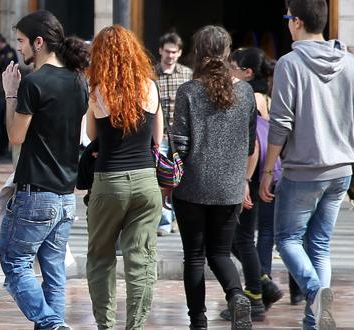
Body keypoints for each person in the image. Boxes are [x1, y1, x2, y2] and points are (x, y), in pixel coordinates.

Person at [259, 0, 354, 330]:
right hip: (341, 169)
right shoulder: (349, 62)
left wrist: (268, 170)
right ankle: (314, 321)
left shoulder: (289, 64)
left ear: (296, 22)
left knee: (287, 239)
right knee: (320, 245)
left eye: (288, 19)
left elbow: (280, 123)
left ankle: (314, 291)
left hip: (303, 169)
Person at [0, 9, 89, 330]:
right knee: (53, 271)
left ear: (39, 42)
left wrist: (10, 92)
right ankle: (53, 322)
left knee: (14, 262)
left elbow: (15, 136)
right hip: (65, 195)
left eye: (21, 41)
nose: (18, 49)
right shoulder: (79, 82)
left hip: (35, 192)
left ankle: (52, 324)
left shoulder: (33, 83)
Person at [170, 25, 258, 330]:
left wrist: (170, 179)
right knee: (220, 252)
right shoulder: (245, 92)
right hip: (230, 187)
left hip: (192, 186)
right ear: (227, 52)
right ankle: (237, 295)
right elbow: (249, 144)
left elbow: (178, 144)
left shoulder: (189, 91)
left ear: (197, 52)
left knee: (194, 256)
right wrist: (242, 179)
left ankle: (198, 321)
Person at [84, 25, 164, 330]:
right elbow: (157, 140)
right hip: (146, 180)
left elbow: (91, 135)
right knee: (140, 258)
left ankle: (105, 325)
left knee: (101, 256)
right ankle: (136, 325)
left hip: (109, 181)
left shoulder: (98, 90)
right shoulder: (150, 87)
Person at [228, 47, 286, 318]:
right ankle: (263, 284)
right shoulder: (263, 96)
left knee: (240, 238)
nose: (229, 71)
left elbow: (250, 142)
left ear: (247, 72)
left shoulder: (249, 95)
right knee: (236, 238)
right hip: (257, 172)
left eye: (233, 66)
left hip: (249, 174)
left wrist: (245, 179)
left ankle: (255, 296)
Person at [155, 31, 192, 236]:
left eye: (174, 52)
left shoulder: (187, 74)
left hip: (180, 134)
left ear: (179, 53)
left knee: (180, 176)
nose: (170, 55)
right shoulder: (151, 74)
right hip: (160, 133)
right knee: (161, 177)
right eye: (167, 51)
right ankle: (163, 220)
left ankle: (177, 218)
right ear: (160, 51)